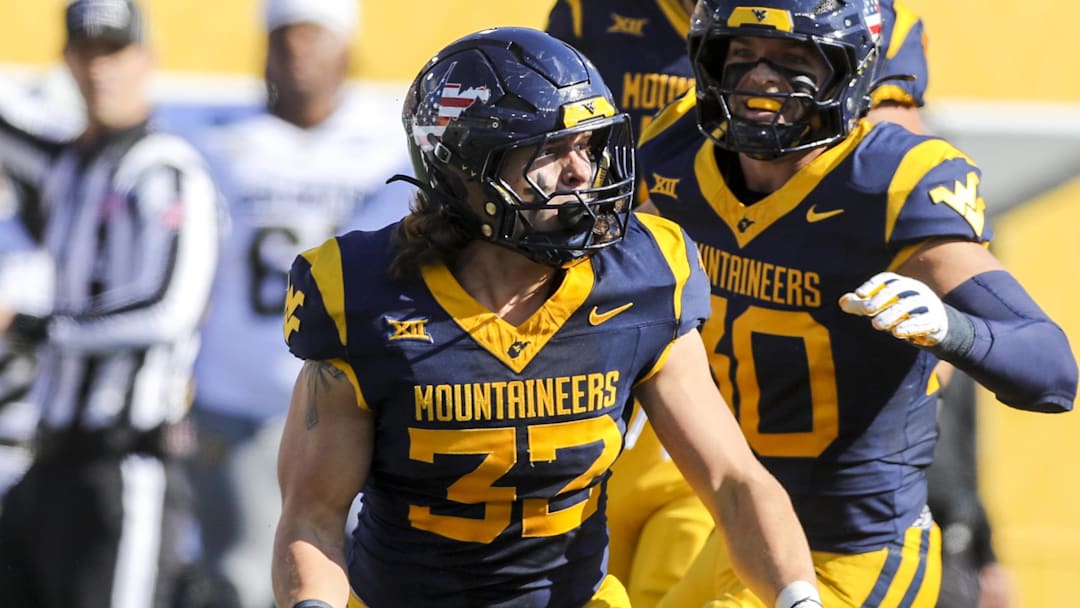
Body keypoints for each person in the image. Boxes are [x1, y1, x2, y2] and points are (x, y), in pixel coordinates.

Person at [272, 26, 821, 608]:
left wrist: (798, 599)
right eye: (551, 151)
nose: (582, 173)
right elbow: (313, 517)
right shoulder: (360, 295)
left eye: (588, 146)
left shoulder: (644, 275)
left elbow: (733, 482)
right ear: (465, 167)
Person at [635, 0, 1077, 606]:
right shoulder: (677, 149)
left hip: (852, 551)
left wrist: (951, 328)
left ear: (848, 71)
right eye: (742, 54)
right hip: (741, 527)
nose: (760, 77)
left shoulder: (887, 181)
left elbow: (1053, 372)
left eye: (793, 59)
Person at [546, 1, 932, 604]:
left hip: (730, 362)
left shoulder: (854, 15)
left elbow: (882, 180)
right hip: (615, 334)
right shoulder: (590, 12)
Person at [185, 0, 412, 605]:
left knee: (357, 578)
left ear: (345, 45)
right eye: (285, 36)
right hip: (239, 399)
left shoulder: (390, 144)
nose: (297, 50)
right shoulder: (217, 142)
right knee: (237, 580)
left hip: (353, 402)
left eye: (313, 35)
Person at [0, 1, 220, 606]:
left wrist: (33, 326)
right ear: (67, 61)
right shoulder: (70, 168)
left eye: (114, 51)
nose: (100, 68)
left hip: (126, 466)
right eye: (85, 52)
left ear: (146, 59)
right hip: (48, 460)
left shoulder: (166, 169)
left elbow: (170, 309)